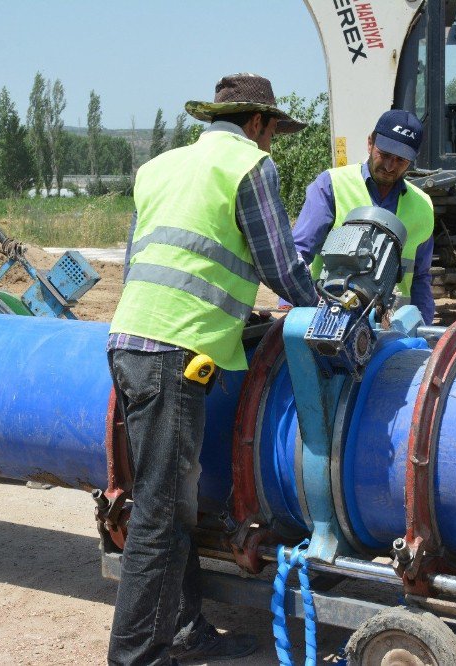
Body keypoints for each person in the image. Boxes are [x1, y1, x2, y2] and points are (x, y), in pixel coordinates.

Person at [106, 73, 318, 666]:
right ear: (257, 124)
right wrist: (330, 310)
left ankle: (182, 629)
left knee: (169, 507)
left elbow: (147, 263)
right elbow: (281, 264)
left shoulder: (160, 168)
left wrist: (231, 309)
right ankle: (134, 658)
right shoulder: (249, 166)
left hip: (130, 341)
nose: (271, 142)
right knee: (157, 515)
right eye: (273, 130)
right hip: (178, 355)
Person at [290, 109, 435, 325]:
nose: (389, 166)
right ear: (370, 143)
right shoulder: (332, 185)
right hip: (330, 319)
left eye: (400, 160)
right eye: (384, 155)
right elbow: (298, 254)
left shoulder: (422, 206)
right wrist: (289, 308)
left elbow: (421, 278)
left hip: (393, 328)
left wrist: (423, 327)